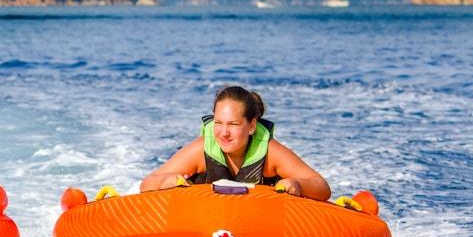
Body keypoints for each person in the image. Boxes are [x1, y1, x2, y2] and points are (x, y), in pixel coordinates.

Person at [140, 86, 331, 200]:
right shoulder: (201, 149)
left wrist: (297, 184)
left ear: (251, 126)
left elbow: (321, 186)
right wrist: (165, 181)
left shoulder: (270, 153)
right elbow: (147, 183)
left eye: (233, 124)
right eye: (218, 123)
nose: (223, 133)